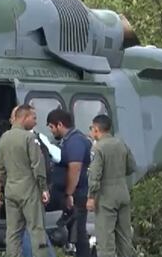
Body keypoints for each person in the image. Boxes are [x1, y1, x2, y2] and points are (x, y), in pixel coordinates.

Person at [0, 104, 50, 257]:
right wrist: (44, 188)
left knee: (12, 232)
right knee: (37, 229)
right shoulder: (29, 138)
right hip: (29, 190)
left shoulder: (2, 140)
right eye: (33, 118)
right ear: (24, 117)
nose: (35, 121)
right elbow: (38, 166)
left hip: (11, 190)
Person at [87, 114, 137, 257]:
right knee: (125, 238)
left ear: (96, 129)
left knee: (105, 240)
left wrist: (91, 196)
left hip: (105, 196)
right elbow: (132, 166)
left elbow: (95, 174)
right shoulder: (121, 143)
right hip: (122, 191)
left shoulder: (98, 148)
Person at [46, 108, 91, 257]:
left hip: (76, 195)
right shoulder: (67, 141)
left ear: (59, 125)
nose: (52, 131)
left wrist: (69, 194)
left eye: (51, 127)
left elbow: (75, 169)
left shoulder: (75, 141)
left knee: (78, 233)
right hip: (66, 193)